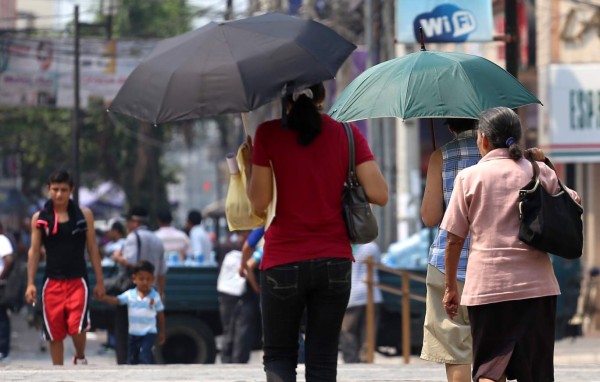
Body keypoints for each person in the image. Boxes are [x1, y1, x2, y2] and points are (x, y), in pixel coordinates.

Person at [243, 82, 388, 381]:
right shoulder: (348, 134)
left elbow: (259, 202)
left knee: (280, 356)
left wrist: (249, 165)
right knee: (322, 359)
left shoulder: (268, 134)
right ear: (322, 97)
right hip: (333, 261)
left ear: (285, 99)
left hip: (282, 260)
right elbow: (379, 194)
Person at [441, 107, 581, 382]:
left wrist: (450, 288)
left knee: (488, 371)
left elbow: (454, 238)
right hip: (537, 288)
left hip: (487, 289)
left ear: (483, 139)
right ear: (517, 137)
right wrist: (546, 164)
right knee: (536, 372)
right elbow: (573, 202)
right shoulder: (537, 171)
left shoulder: (469, 177)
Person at [419, 118, 480, 381]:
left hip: (449, 267)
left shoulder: (441, 156)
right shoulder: (500, 156)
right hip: (492, 264)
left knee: (456, 351)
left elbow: (430, 217)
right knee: (492, 351)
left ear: (448, 124)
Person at [24, 170, 106, 365]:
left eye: (63, 190)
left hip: (78, 280)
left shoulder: (84, 215)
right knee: (55, 333)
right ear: (48, 190)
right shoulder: (40, 218)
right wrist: (30, 283)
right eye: (55, 190)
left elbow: (93, 248)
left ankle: (79, 356)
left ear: (71, 191)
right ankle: (59, 373)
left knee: (77, 327)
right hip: (52, 281)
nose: (59, 194)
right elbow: (34, 251)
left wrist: (100, 281)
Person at [111, 206, 165, 365]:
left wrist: (117, 257)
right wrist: (160, 293)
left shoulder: (133, 237)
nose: (126, 225)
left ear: (135, 222)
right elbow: (161, 271)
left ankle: (126, 362)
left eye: (128, 221)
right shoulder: (157, 239)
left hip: (134, 290)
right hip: (151, 290)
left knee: (124, 329)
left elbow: (131, 262)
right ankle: (147, 361)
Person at [101, 260, 165, 365]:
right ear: (134, 279)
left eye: (148, 279)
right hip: (133, 334)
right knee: (132, 359)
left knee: (144, 354)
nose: (145, 282)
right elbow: (117, 300)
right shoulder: (130, 295)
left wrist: (162, 332)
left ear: (153, 280)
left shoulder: (155, 296)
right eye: (141, 279)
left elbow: (160, 315)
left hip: (149, 333)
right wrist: (103, 298)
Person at [217, 230, 260, 364]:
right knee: (242, 331)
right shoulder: (249, 247)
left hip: (225, 292)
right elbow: (248, 268)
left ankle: (226, 360)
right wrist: (257, 289)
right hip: (243, 294)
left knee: (228, 330)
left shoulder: (225, 244)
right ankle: (238, 362)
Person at [340, 242, 383, 364]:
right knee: (369, 329)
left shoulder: (347, 246)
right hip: (373, 293)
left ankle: (350, 358)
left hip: (353, 294)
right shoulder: (372, 246)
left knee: (348, 329)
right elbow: (379, 264)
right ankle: (366, 357)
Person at [0, 222, 15, 361]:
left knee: (2, 317)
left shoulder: (2, 240)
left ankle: (3, 350)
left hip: (1, 285)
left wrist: (1, 276)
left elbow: (9, 259)